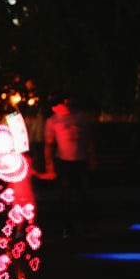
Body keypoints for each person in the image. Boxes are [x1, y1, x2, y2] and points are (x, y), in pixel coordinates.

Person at [43, 95, 95, 236]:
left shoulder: (81, 116)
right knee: (66, 196)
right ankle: (67, 227)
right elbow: (49, 144)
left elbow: (89, 138)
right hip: (64, 162)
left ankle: (87, 226)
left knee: (85, 194)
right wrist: (49, 165)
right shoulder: (52, 121)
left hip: (81, 160)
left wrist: (92, 157)